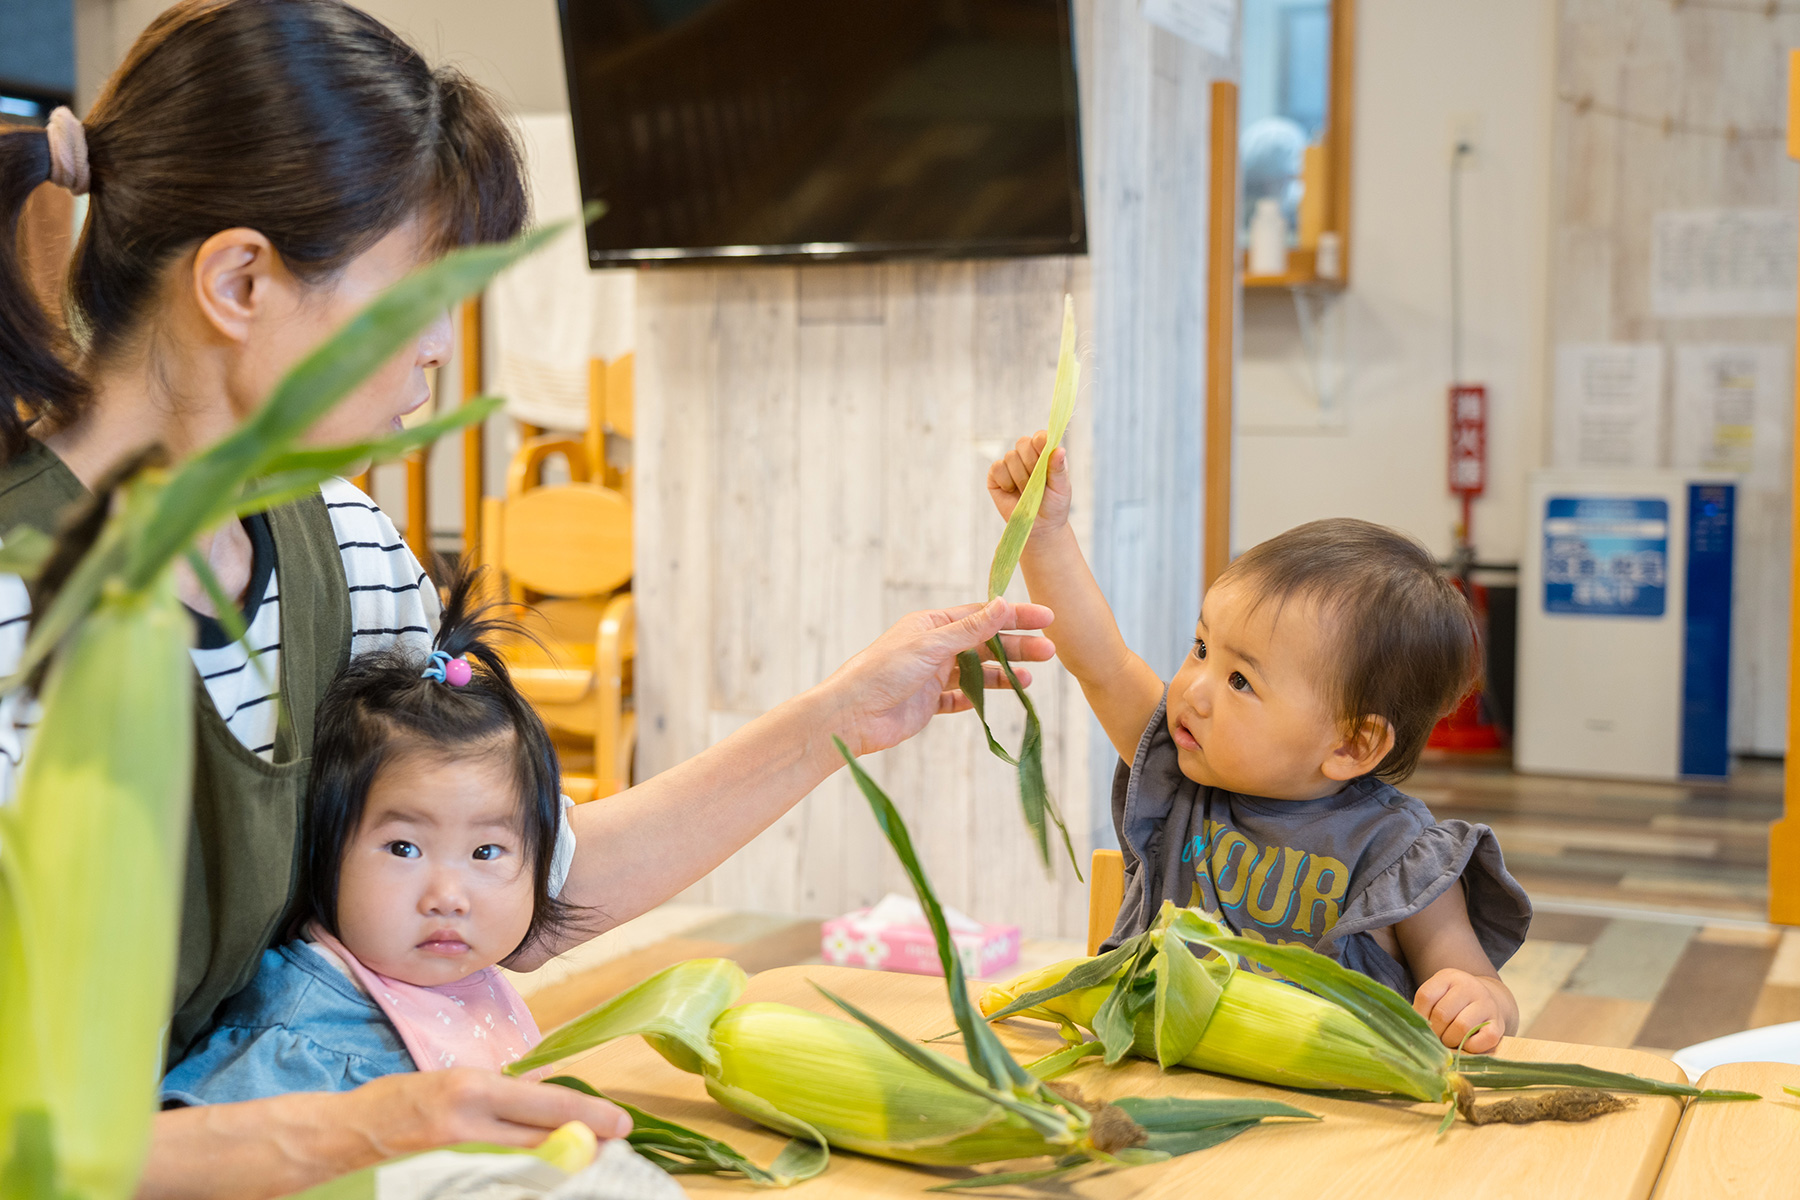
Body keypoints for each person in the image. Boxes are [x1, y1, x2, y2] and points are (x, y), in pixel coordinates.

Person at [0, 3, 1053, 1194]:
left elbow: (517, 882)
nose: (439, 349)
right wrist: (359, 1131)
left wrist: (852, 715)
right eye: (417, 299)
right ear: (240, 280)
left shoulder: (339, 545)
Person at [987, 433, 1530, 1054]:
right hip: (1152, 1081)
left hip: (1320, 1117)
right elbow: (1101, 662)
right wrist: (1045, 532)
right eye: (1200, 648)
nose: (1193, 689)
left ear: (1352, 744)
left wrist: (1477, 1001)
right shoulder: (1179, 766)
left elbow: (1486, 992)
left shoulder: (1400, 854)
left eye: (1241, 680)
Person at [162, 569, 576, 1104]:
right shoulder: (299, 1038)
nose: (448, 898)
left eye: (486, 851)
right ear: (325, 851)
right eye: (404, 848)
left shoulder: (465, 984)